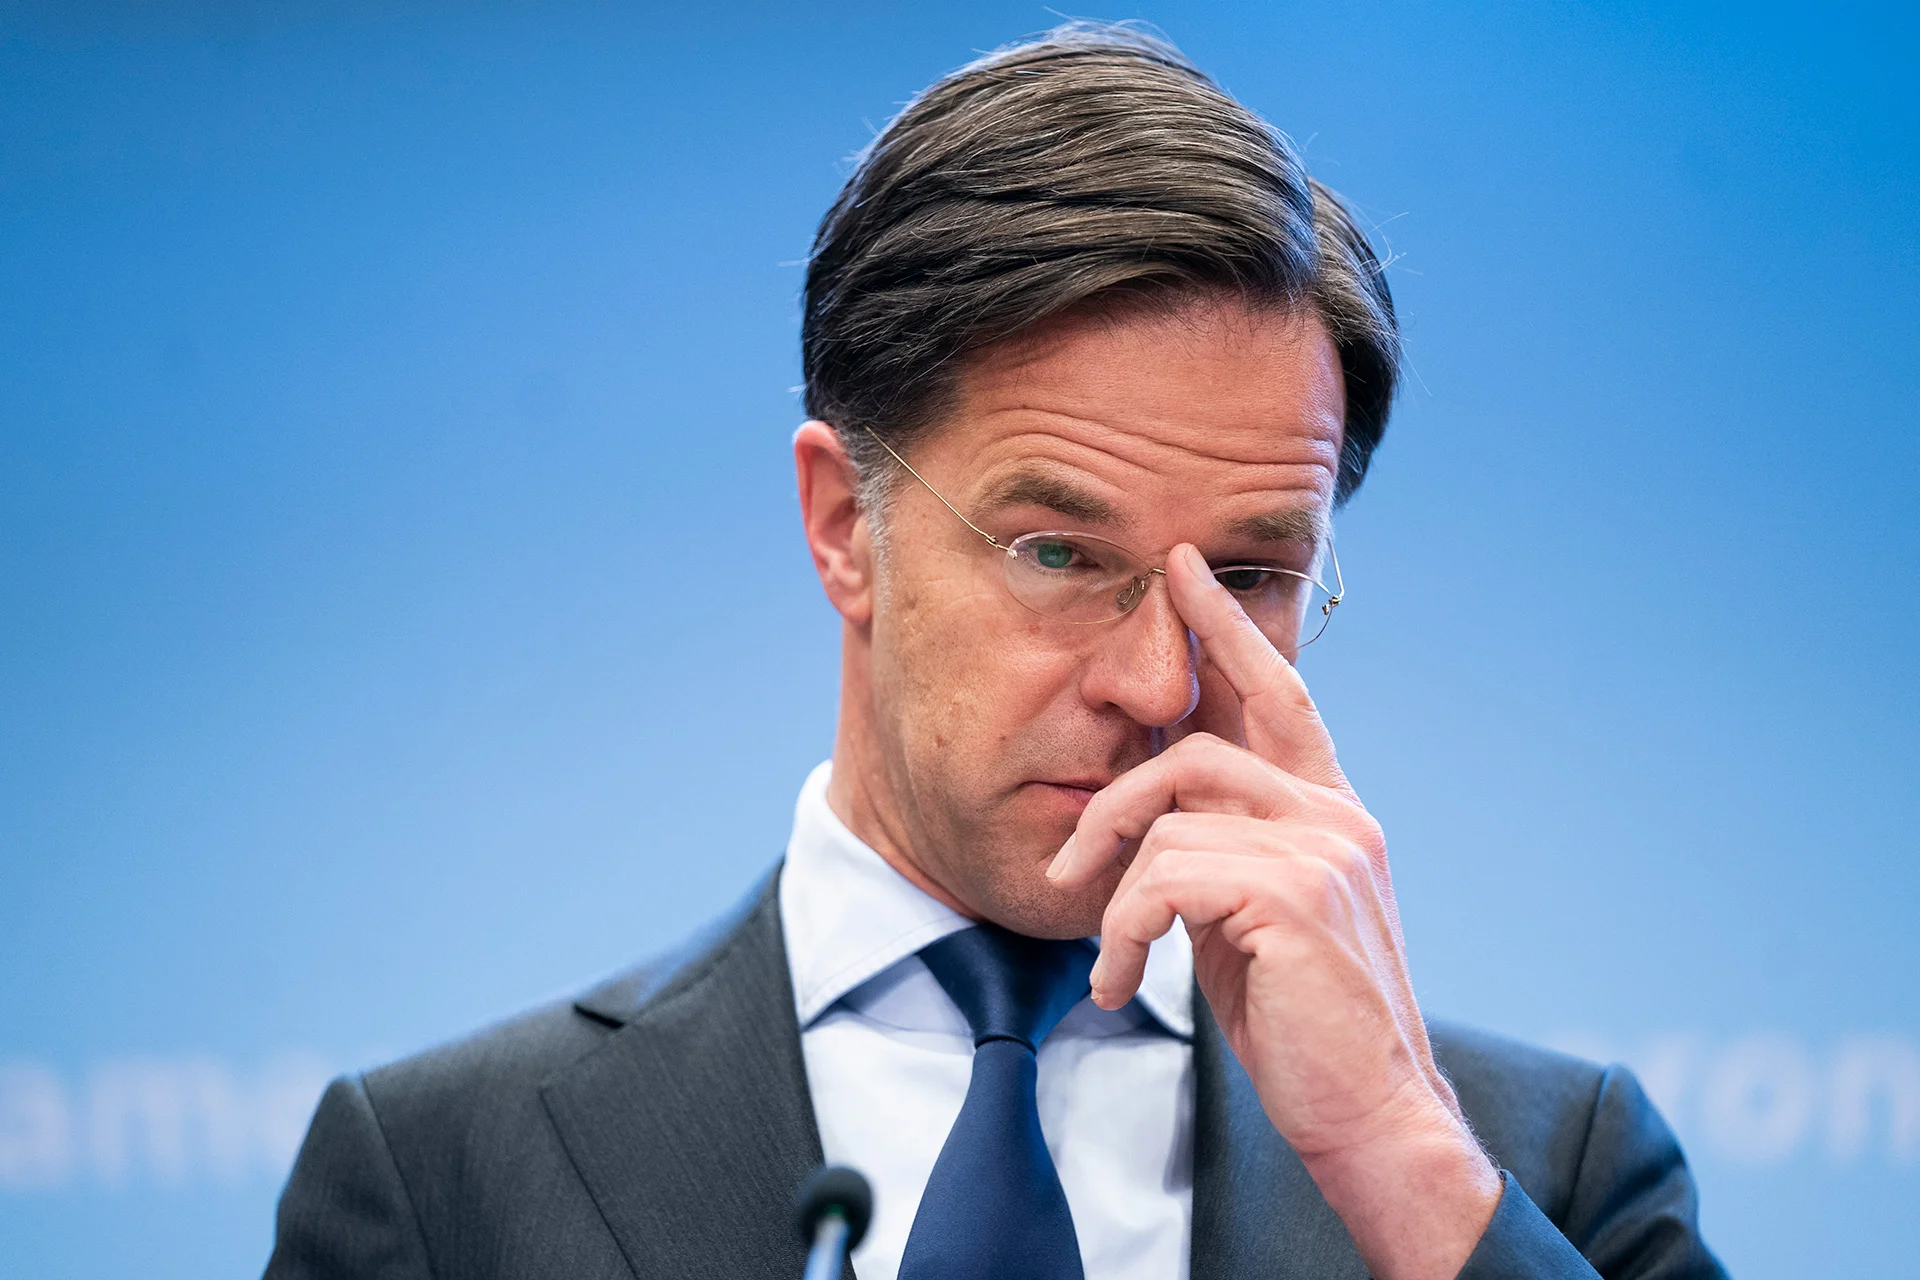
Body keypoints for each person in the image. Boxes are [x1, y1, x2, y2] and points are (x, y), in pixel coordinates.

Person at [265, 24, 1726, 1280]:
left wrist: (1401, 1158)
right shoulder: (445, 1179)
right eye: (1058, 554)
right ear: (844, 525)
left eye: (1249, 578)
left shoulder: (1543, 1167)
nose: (1159, 686)